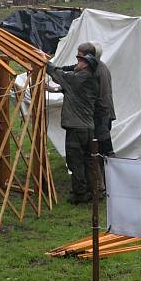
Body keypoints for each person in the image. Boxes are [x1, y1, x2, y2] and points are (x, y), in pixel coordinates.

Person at [47, 51, 99, 204]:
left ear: (87, 66)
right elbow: (68, 89)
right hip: (88, 128)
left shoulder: (78, 79)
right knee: (88, 161)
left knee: (75, 161)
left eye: (80, 61)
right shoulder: (90, 80)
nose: (77, 63)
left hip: (76, 128)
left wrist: (45, 63)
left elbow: (59, 75)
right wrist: (52, 90)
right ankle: (92, 191)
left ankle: (79, 194)